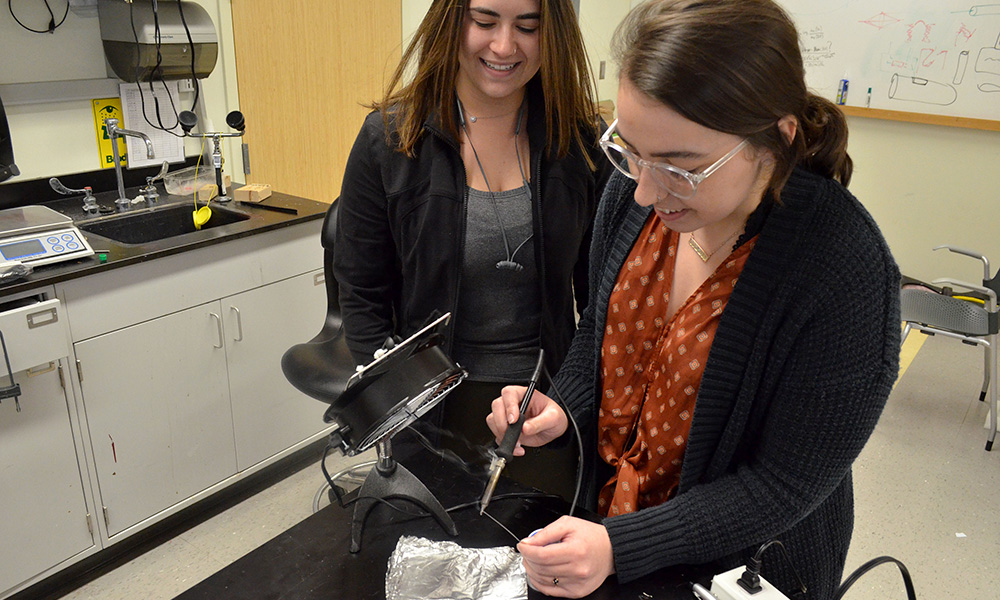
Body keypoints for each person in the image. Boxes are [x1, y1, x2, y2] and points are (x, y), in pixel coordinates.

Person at [486, 0, 901, 598]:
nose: (646, 189)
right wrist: (562, 409)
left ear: (775, 139)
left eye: (684, 166)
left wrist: (622, 547)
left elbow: (782, 486)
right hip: (608, 531)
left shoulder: (843, 270)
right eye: (629, 150)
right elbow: (597, 340)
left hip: (743, 564)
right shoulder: (636, 197)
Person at [334, 0, 612, 493]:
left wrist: (574, 401)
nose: (504, 46)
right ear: (451, 22)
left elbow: (601, 301)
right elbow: (362, 291)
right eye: (484, 22)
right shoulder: (391, 139)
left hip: (546, 405)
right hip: (432, 407)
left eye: (528, 27)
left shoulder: (581, 142)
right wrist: (397, 406)